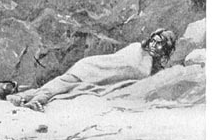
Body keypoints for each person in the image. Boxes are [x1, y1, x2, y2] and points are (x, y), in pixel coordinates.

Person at [9, 28, 177, 111]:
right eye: (154, 41)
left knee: (67, 88)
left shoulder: (153, 65)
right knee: (64, 83)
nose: (155, 45)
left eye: (161, 44)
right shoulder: (136, 49)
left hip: (99, 78)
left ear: (166, 48)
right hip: (92, 68)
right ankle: (33, 101)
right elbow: (126, 66)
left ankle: (20, 97)